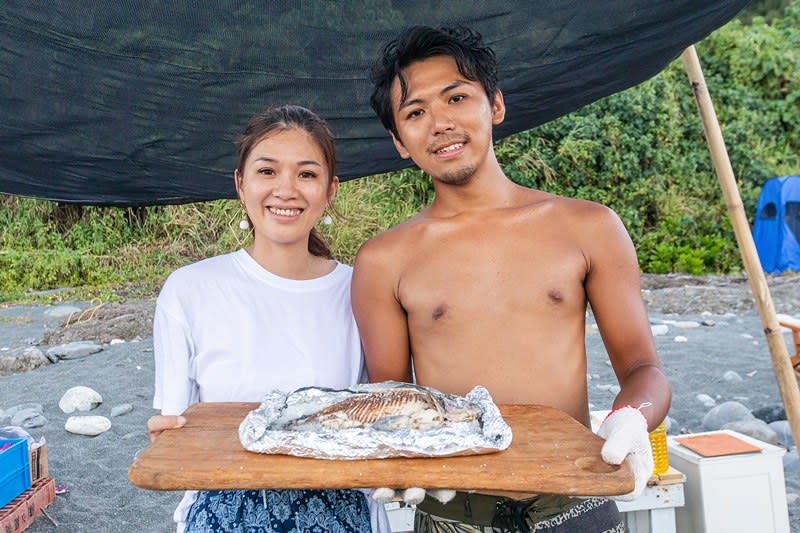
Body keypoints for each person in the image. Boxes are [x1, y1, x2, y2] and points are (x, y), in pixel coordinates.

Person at [352, 26, 672, 532]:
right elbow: (390, 397)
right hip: (450, 508)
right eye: (415, 113)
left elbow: (644, 369)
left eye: (456, 97)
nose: (440, 123)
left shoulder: (587, 227)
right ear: (398, 142)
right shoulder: (384, 259)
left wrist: (633, 416)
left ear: (495, 105)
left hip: (575, 499)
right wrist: (393, 455)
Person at [146, 105, 389, 533]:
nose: (286, 190)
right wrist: (164, 440)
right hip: (223, 513)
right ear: (241, 184)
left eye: (307, 174)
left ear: (330, 191)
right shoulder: (190, 290)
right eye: (267, 171)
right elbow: (175, 432)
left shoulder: (362, 292)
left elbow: (384, 415)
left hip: (341, 514)